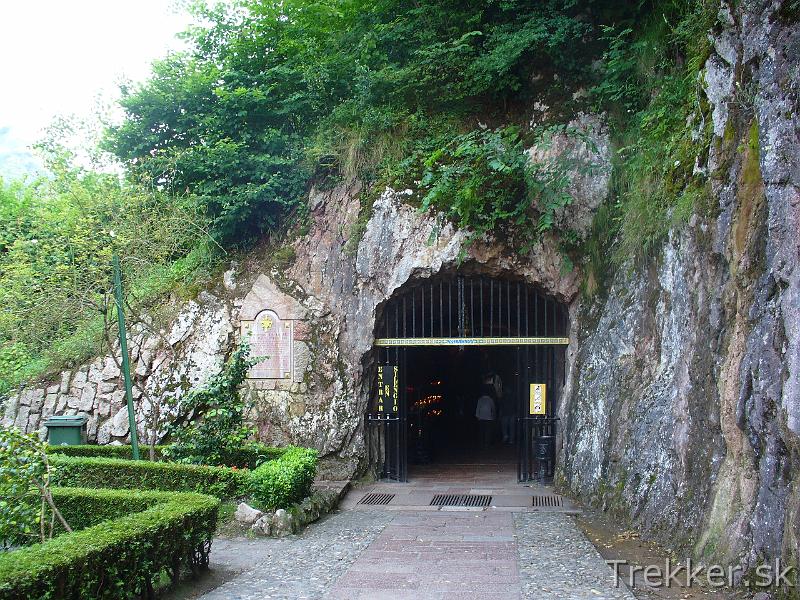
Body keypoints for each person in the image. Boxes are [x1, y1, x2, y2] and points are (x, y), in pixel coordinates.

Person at [475, 384, 496, 448]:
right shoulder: (490, 399)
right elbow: (493, 408)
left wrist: (477, 416)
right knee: (488, 431)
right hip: (488, 417)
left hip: (481, 417)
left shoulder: (480, 399)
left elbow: (477, 408)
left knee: (481, 431)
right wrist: (494, 415)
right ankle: (487, 443)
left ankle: (482, 443)